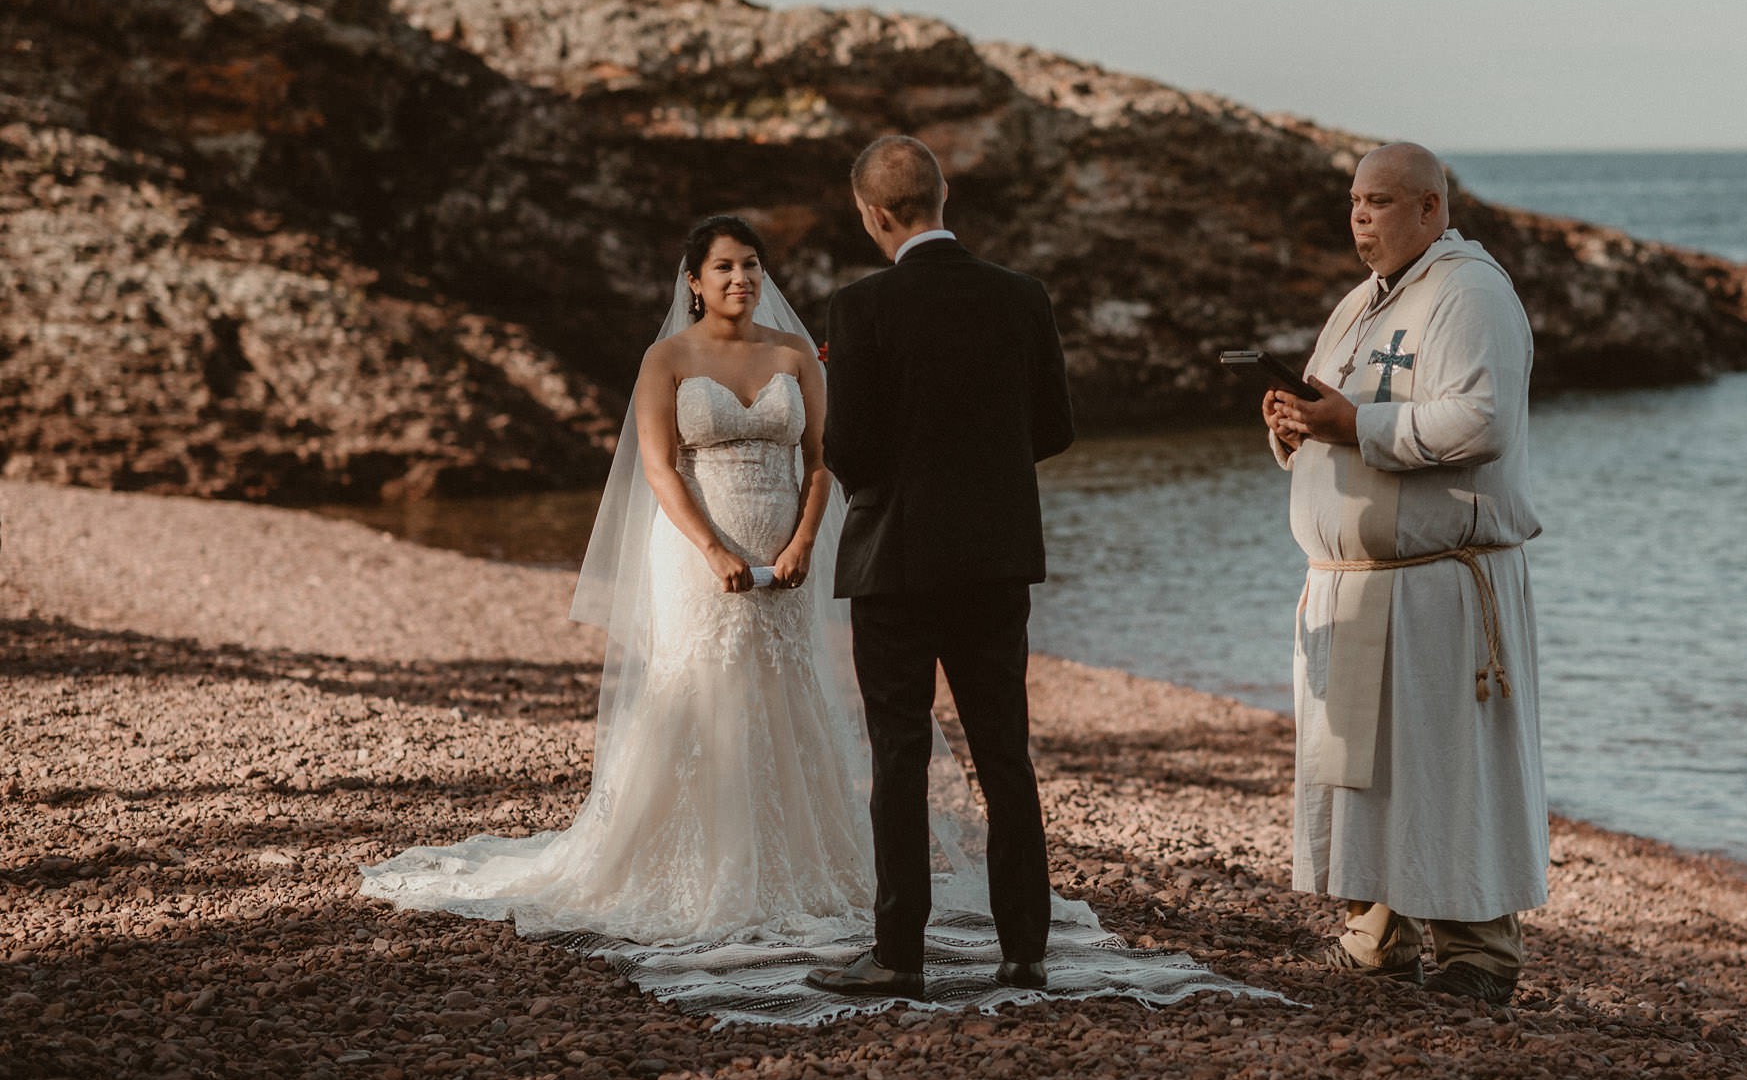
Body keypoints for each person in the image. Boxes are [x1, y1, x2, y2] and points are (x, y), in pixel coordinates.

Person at [363, 209, 1257, 1024]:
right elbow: (660, 467)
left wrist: (801, 541)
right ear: (692, 281)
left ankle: (858, 908)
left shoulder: (799, 353)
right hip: (703, 554)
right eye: (724, 267)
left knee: (809, 712)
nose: (743, 279)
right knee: (713, 698)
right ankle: (721, 874)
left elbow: (835, 455)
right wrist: (716, 550)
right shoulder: (667, 362)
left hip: (791, 553)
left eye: (752, 264)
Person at [1265, 142, 1547, 1005]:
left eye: (1380, 202)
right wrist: (1294, 426)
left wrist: (1357, 427)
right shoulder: (1360, 304)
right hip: (1355, 581)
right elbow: (1337, 411)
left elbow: (1482, 419)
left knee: (1443, 765)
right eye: (1353, 201)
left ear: (1431, 208)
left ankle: (1479, 949)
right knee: (1368, 767)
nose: (1360, 218)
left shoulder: (1470, 292)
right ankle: (1377, 931)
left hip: (1435, 585)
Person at [806, 136, 1075, 1000]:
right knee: (1006, 756)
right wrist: (984, 474)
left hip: (894, 565)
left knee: (899, 756)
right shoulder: (1020, 297)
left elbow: (847, 448)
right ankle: (1026, 950)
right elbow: (1056, 428)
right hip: (994, 562)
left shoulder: (859, 308)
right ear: (944, 195)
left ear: (876, 215)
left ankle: (900, 955)